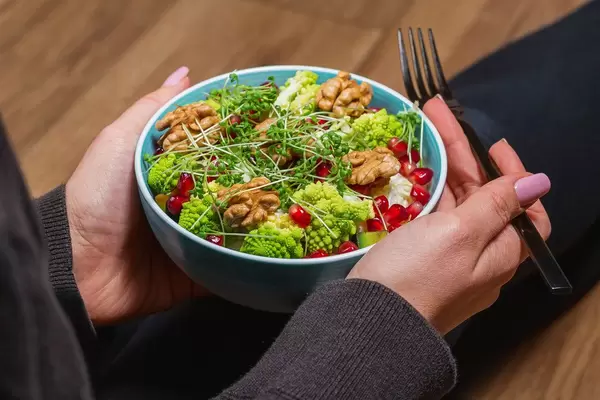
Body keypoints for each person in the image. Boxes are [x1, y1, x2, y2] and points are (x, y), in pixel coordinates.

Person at [0, 65, 550, 399]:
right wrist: (381, 330)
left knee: (480, 120)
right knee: (503, 122)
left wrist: (70, 255)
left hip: (84, 327)